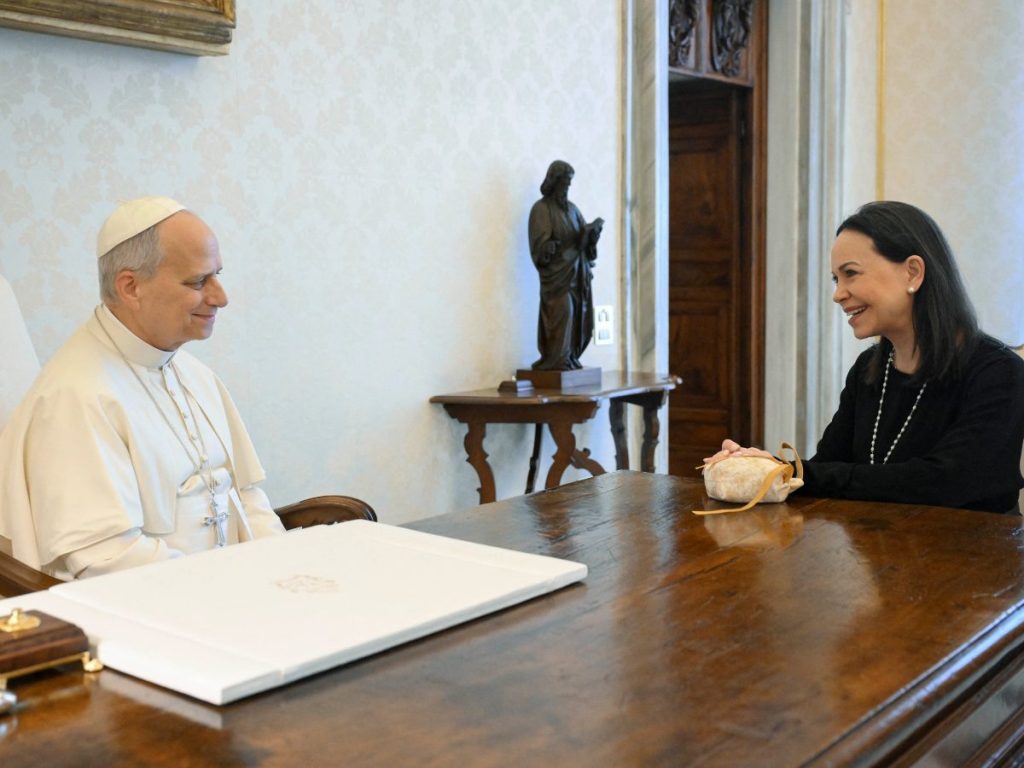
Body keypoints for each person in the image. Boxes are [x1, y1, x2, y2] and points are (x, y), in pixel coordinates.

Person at [0, 197, 285, 579]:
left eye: (218, 275)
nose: (221, 297)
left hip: (230, 593)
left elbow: (245, 497)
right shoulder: (76, 397)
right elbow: (106, 557)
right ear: (131, 287)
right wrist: (224, 589)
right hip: (151, 611)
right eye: (199, 281)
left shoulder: (194, 374)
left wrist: (282, 568)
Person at [707, 201, 1024, 514]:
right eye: (836, 278)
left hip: (975, 559)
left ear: (912, 272)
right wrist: (760, 470)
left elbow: (945, 482)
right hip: (878, 555)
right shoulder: (868, 370)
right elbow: (828, 467)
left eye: (851, 274)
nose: (838, 293)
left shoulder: (999, 372)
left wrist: (793, 472)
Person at [528, 160, 604, 370]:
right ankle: (556, 360)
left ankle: (569, 358)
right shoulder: (541, 209)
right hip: (557, 279)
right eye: (564, 183)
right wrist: (547, 248)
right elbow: (539, 247)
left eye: (570, 183)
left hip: (578, 275)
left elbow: (583, 241)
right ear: (553, 181)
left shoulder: (573, 210)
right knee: (564, 312)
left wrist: (592, 237)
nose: (567, 188)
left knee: (581, 318)